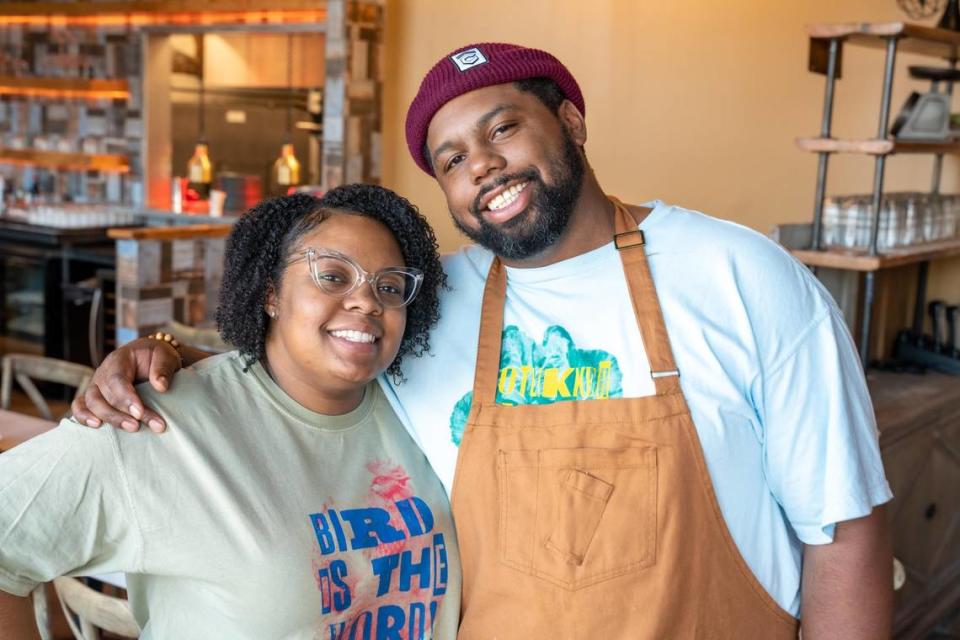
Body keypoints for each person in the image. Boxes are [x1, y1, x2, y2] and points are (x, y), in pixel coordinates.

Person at [73, 43, 893, 638]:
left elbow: (847, 534)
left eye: (503, 129)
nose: (482, 167)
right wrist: (163, 356)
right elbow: (310, 362)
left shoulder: (740, 276)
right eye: (452, 158)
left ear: (571, 121)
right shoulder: (425, 306)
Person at [0, 186, 460, 640]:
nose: (368, 301)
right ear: (271, 294)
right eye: (334, 276)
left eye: (389, 286)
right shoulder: (158, 425)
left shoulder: (420, 412)